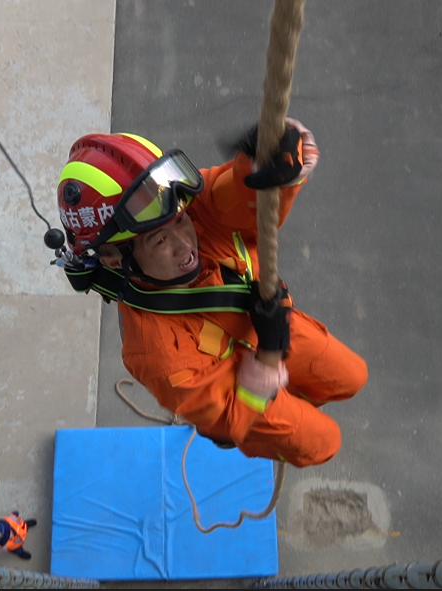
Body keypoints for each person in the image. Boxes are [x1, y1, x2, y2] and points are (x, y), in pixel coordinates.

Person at [49, 118, 367, 468]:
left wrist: (272, 159)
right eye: (159, 240)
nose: (186, 244)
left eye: (181, 222)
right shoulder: (156, 354)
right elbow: (231, 419)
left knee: (351, 377)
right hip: (245, 383)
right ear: (112, 257)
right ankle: (279, 405)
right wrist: (269, 357)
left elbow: (240, 192)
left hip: (257, 325)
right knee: (323, 443)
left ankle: (289, 388)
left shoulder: (182, 205)